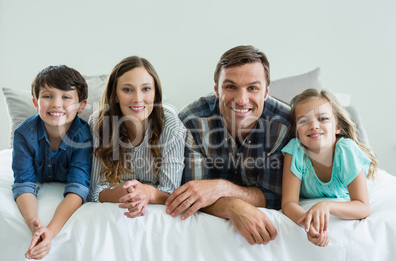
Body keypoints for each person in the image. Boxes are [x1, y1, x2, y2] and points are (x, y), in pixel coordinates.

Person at [165, 45, 293, 245]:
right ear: (216, 89)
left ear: (266, 92)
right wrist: (233, 207)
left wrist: (221, 188)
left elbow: (275, 196)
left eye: (253, 88)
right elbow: (192, 194)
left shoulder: (284, 125)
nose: (241, 100)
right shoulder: (192, 121)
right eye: (231, 87)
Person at [88, 56, 186, 218]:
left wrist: (147, 192)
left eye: (146, 89)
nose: (138, 99)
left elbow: (171, 192)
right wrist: (122, 194)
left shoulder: (171, 125)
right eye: (127, 90)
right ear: (114, 95)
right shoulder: (99, 123)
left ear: (155, 94)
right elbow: (93, 191)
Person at [12, 65, 92, 259]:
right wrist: (35, 224)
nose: (56, 104)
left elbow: (78, 188)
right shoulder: (23, 133)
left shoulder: (84, 136)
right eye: (47, 96)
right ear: (36, 102)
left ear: (81, 105)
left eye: (66, 97)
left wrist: (51, 230)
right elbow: (23, 183)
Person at [281, 88, 378, 247]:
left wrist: (326, 205)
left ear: (337, 126)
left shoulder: (346, 150)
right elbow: (288, 203)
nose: (314, 125)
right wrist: (308, 222)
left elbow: (362, 207)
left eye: (323, 118)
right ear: (296, 131)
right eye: (304, 121)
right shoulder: (295, 151)